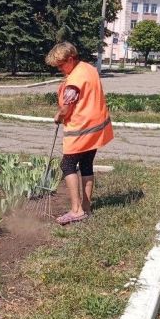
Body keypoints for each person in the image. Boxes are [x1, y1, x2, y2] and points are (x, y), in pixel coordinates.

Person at [45, 41, 114, 225]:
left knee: (67, 166)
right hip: (96, 129)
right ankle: (86, 208)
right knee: (86, 166)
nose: (60, 69)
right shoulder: (88, 69)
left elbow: (66, 109)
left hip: (81, 130)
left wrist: (58, 116)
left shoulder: (74, 82)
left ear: (71, 58)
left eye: (61, 65)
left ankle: (76, 210)